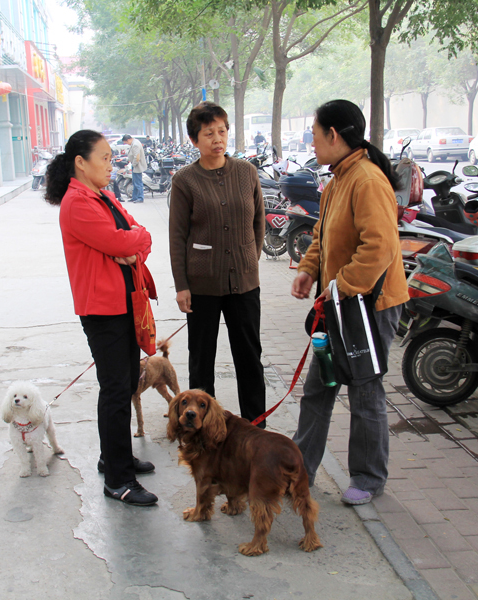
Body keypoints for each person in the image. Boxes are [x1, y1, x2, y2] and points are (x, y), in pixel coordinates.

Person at [290, 99, 408, 505]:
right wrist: (308, 267)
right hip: (338, 305)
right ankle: (299, 469)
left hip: (367, 307)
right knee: (318, 389)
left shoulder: (367, 179)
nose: (312, 141)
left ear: (334, 135)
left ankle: (368, 477)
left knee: (364, 392)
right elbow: (324, 233)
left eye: (315, 133)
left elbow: (379, 248)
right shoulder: (339, 178)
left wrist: (339, 287)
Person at [45, 129, 159, 507]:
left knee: (125, 383)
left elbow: (137, 233)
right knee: (114, 389)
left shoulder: (102, 196)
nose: (113, 164)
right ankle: (118, 480)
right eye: (106, 158)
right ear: (81, 162)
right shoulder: (78, 203)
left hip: (123, 302)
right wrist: (127, 244)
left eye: (113, 157)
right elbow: (120, 241)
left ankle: (115, 457)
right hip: (102, 309)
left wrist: (131, 244)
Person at [168, 101, 267, 427]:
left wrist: (250, 260)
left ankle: (256, 427)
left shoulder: (246, 172)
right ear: (194, 140)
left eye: (222, 131)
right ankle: (201, 430)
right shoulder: (185, 180)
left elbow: (258, 222)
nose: (217, 139)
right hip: (202, 286)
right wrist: (182, 284)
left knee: (250, 358)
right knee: (201, 361)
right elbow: (178, 235)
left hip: (244, 284)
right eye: (208, 133)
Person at [123, 134, 146, 203]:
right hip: (135, 165)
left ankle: (140, 197)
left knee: (138, 182)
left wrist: (133, 164)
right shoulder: (135, 142)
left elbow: (137, 157)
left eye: (126, 142)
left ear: (128, 140)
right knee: (134, 182)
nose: (127, 144)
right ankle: (134, 197)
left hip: (137, 165)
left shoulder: (135, 144)